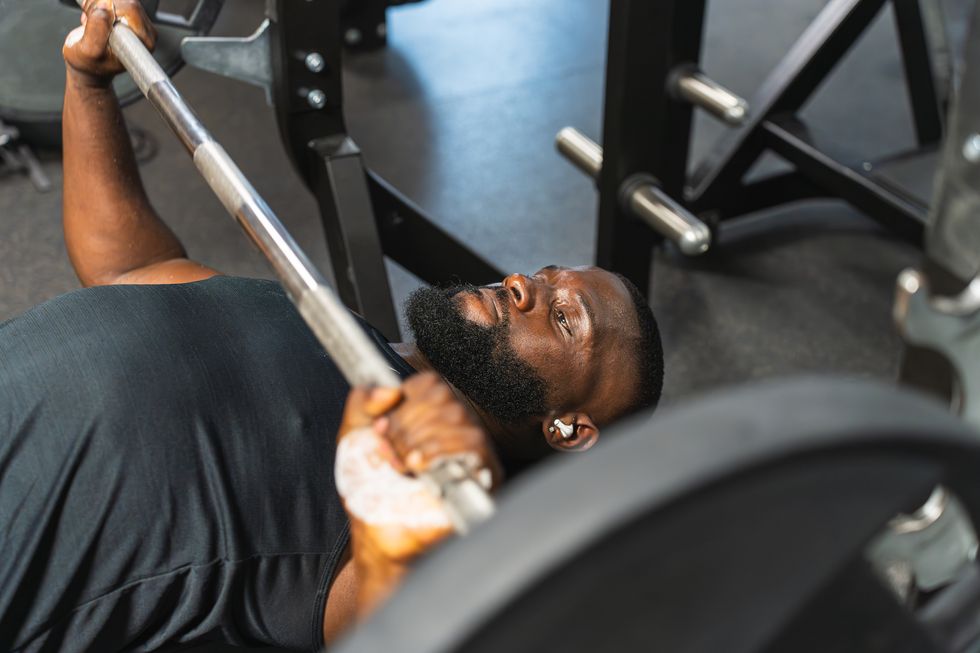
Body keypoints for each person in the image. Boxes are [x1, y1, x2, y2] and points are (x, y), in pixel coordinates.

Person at [0, 2, 664, 651]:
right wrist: (89, 85)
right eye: (542, 276)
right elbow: (133, 267)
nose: (520, 283)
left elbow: (377, 620)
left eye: (561, 315)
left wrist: (411, 515)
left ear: (568, 426)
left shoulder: (430, 504)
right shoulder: (328, 321)